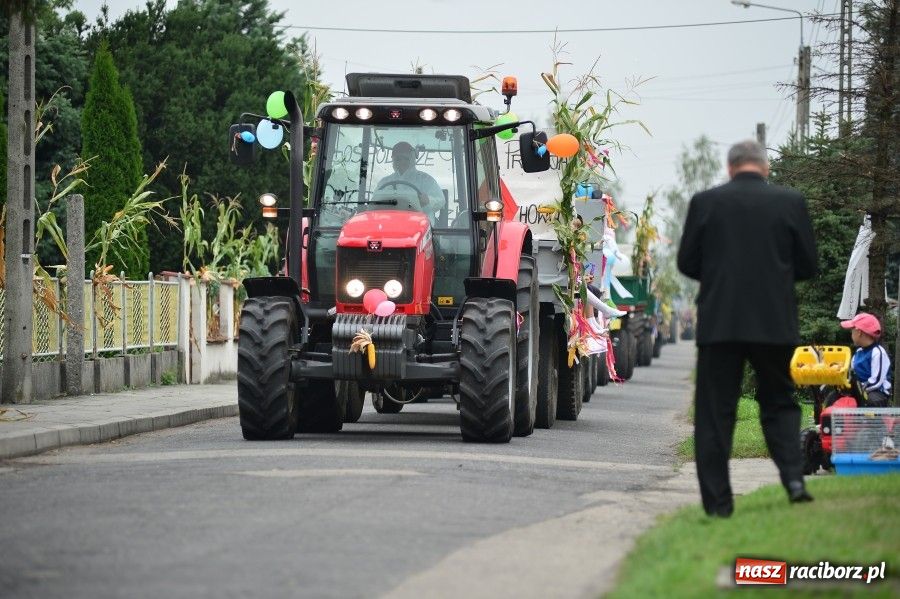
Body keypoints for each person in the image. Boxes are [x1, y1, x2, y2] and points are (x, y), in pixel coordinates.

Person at [677, 139, 818, 517]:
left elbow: (687, 262)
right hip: (774, 322)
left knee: (714, 413)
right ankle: (793, 479)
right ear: (765, 168)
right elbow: (808, 265)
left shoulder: (706, 202)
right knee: (779, 401)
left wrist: (719, 275)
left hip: (720, 321)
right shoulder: (790, 202)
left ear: (730, 167)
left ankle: (719, 505)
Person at [841, 312, 892, 407]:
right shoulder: (858, 352)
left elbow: (876, 381)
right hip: (860, 389)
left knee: (873, 401)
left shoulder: (878, 352)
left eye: (852, 330)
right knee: (838, 397)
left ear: (859, 332)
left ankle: (876, 421)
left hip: (876, 391)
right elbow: (852, 374)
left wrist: (859, 390)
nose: (851, 334)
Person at [377, 141, 443, 214]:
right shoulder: (384, 182)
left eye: (406, 158)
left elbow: (440, 200)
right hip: (390, 221)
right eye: (398, 159)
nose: (402, 162)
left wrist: (428, 200)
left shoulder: (426, 180)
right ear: (393, 160)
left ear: (412, 159)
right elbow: (375, 203)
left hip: (420, 222)